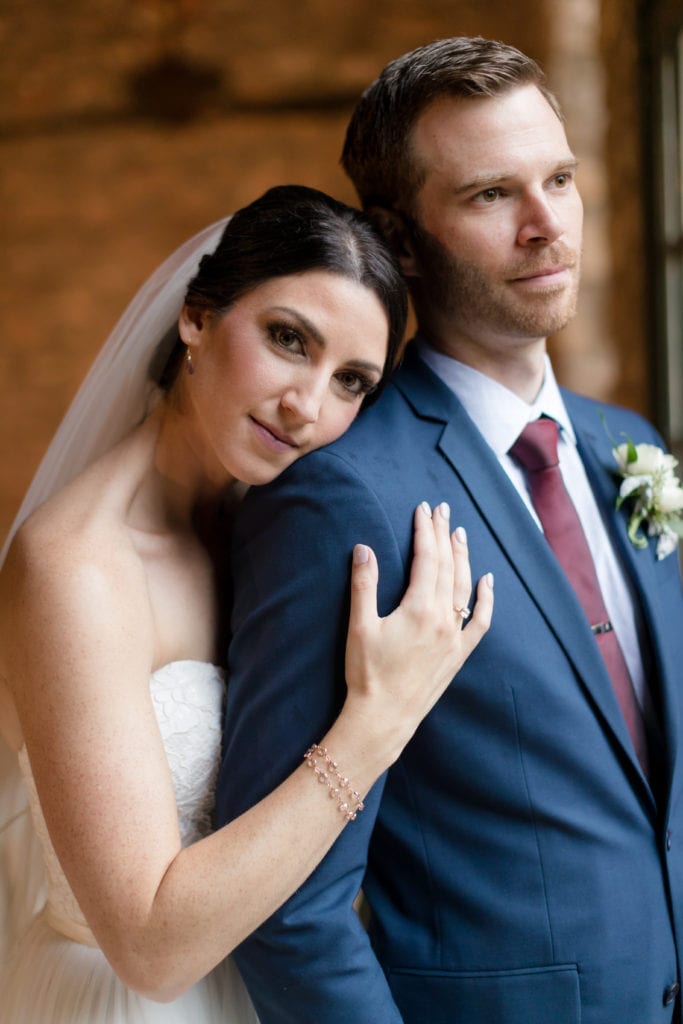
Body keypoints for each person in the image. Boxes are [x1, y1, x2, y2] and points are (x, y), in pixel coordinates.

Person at [216, 38, 683, 1024]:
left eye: (559, 178)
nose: (545, 225)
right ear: (401, 240)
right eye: (489, 195)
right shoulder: (339, 495)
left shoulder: (625, 444)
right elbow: (284, 909)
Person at [0, 184, 494, 1024]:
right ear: (195, 317)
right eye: (286, 339)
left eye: (351, 382)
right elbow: (150, 948)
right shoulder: (76, 567)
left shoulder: (262, 532)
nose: (306, 406)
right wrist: (378, 721)